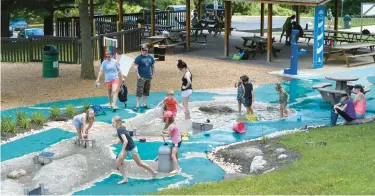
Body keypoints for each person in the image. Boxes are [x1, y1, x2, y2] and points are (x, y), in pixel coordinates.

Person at [112, 116, 157, 184]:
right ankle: (125, 178)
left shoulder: (119, 130)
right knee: (118, 162)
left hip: (131, 148)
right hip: (127, 148)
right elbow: (124, 138)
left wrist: (121, 151)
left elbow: (126, 141)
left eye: (113, 122)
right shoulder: (121, 128)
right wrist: (117, 142)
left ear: (117, 123)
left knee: (139, 163)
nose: (112, 124)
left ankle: (153, 172)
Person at [133, 45, 155, 111]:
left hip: (148, 76)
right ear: (141, 50)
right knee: (139, 90)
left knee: (146, 90)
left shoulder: (151, 58)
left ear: (148, 50)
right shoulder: (138, 58)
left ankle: (144, 103)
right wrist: (137, 75)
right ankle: (137, 104)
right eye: (143, 50)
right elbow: (135, 67)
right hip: (141, 77)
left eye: (146, 50)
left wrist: (153, 74)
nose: (145, 51)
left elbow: (153, 67)